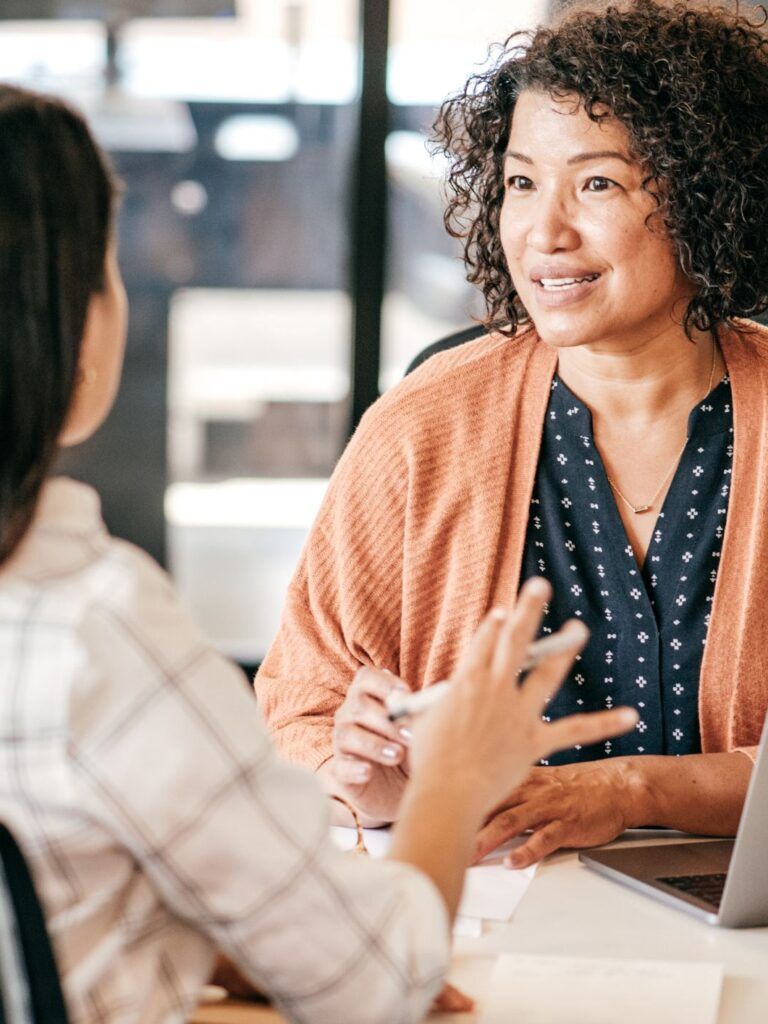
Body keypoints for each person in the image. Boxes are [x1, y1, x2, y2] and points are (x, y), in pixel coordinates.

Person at [0, 85, 635, 1024]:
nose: (547, 230)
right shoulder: (96, 625)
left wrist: (228, 944)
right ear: (75, 323)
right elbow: (378, 980)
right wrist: (454, 779)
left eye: (597, 185)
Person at [256, 0, 768, 869]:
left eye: (597, 183)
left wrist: (632, 790)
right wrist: (367, 782)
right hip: (491, 912)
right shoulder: (423, 426)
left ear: (708, 192)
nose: (543, 232)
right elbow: (301, 714)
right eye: (523, 182)